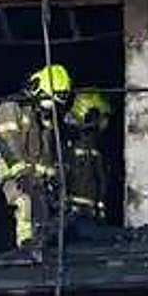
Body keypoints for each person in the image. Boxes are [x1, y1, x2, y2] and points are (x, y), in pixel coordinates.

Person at [0, 64, 73, 250]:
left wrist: (52, 177)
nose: (50, 107)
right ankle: (25, 246)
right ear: (37, 88)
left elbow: (46, 151)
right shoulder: (11, 106)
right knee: (24, 203)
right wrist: (21, 172)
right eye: (49, 101)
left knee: (47, 212)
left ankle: (43, 247)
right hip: (15, 175)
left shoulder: (41, 116)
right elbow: (6, 139)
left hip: (36, 178)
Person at [64, 90, 112, 226]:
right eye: (101, 116)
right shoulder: (71, 140)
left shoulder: (93, 143)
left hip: (89, 213)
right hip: (74, 215)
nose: (104, 123)